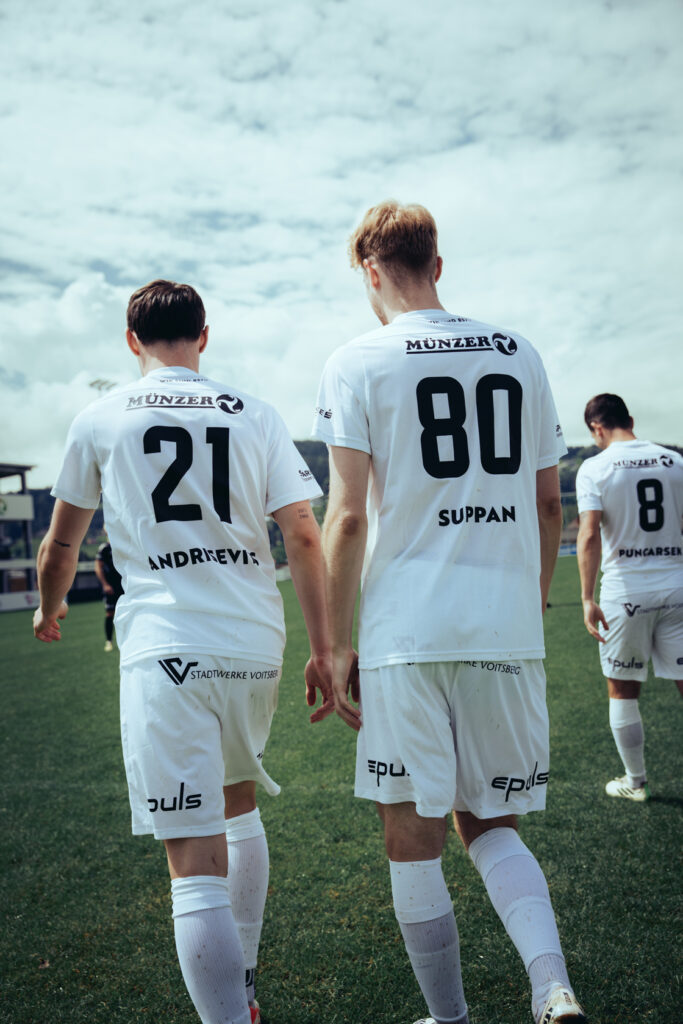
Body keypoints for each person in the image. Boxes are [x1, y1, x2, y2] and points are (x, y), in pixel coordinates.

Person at [313, 201, 587, 1024]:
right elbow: (549, 503)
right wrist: (529, 604)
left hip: (406, 634)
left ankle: (450, 1016)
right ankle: (551, 987)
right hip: (504, 624)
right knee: (492, 824)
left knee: (412, 838)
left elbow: (347, 517)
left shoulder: (355, 359)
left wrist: (332, 644)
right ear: (436, 262)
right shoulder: (518, 351)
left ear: (369, 270)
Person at [33, 279, 333, 1024]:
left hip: (168, 648)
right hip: (253, 641)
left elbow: (62, 544)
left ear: (130, 341)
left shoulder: (99, 417)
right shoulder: (255, 412)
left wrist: (48, 606)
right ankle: (246, 986)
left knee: (192, 862)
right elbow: (302, 533)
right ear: (204, 335)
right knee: (239, 804)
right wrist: (325, 645)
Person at [575, 393, 683, 802]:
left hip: (626, 592)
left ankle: (635, 782)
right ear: (630, 420)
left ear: (596, 429)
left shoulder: (595, 468)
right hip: (677, 585)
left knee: (622, 688)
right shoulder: (674, 461)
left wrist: (587, 597)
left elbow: (589, 534)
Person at [94, 537, 124, 651]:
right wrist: (105, 584)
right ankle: (109, 641)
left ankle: (127, 640)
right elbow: (98, 567)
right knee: (110, 613)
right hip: (111, 586)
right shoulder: (105, 548)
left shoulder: (122, 544)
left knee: (127, 612)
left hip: (124, 585)